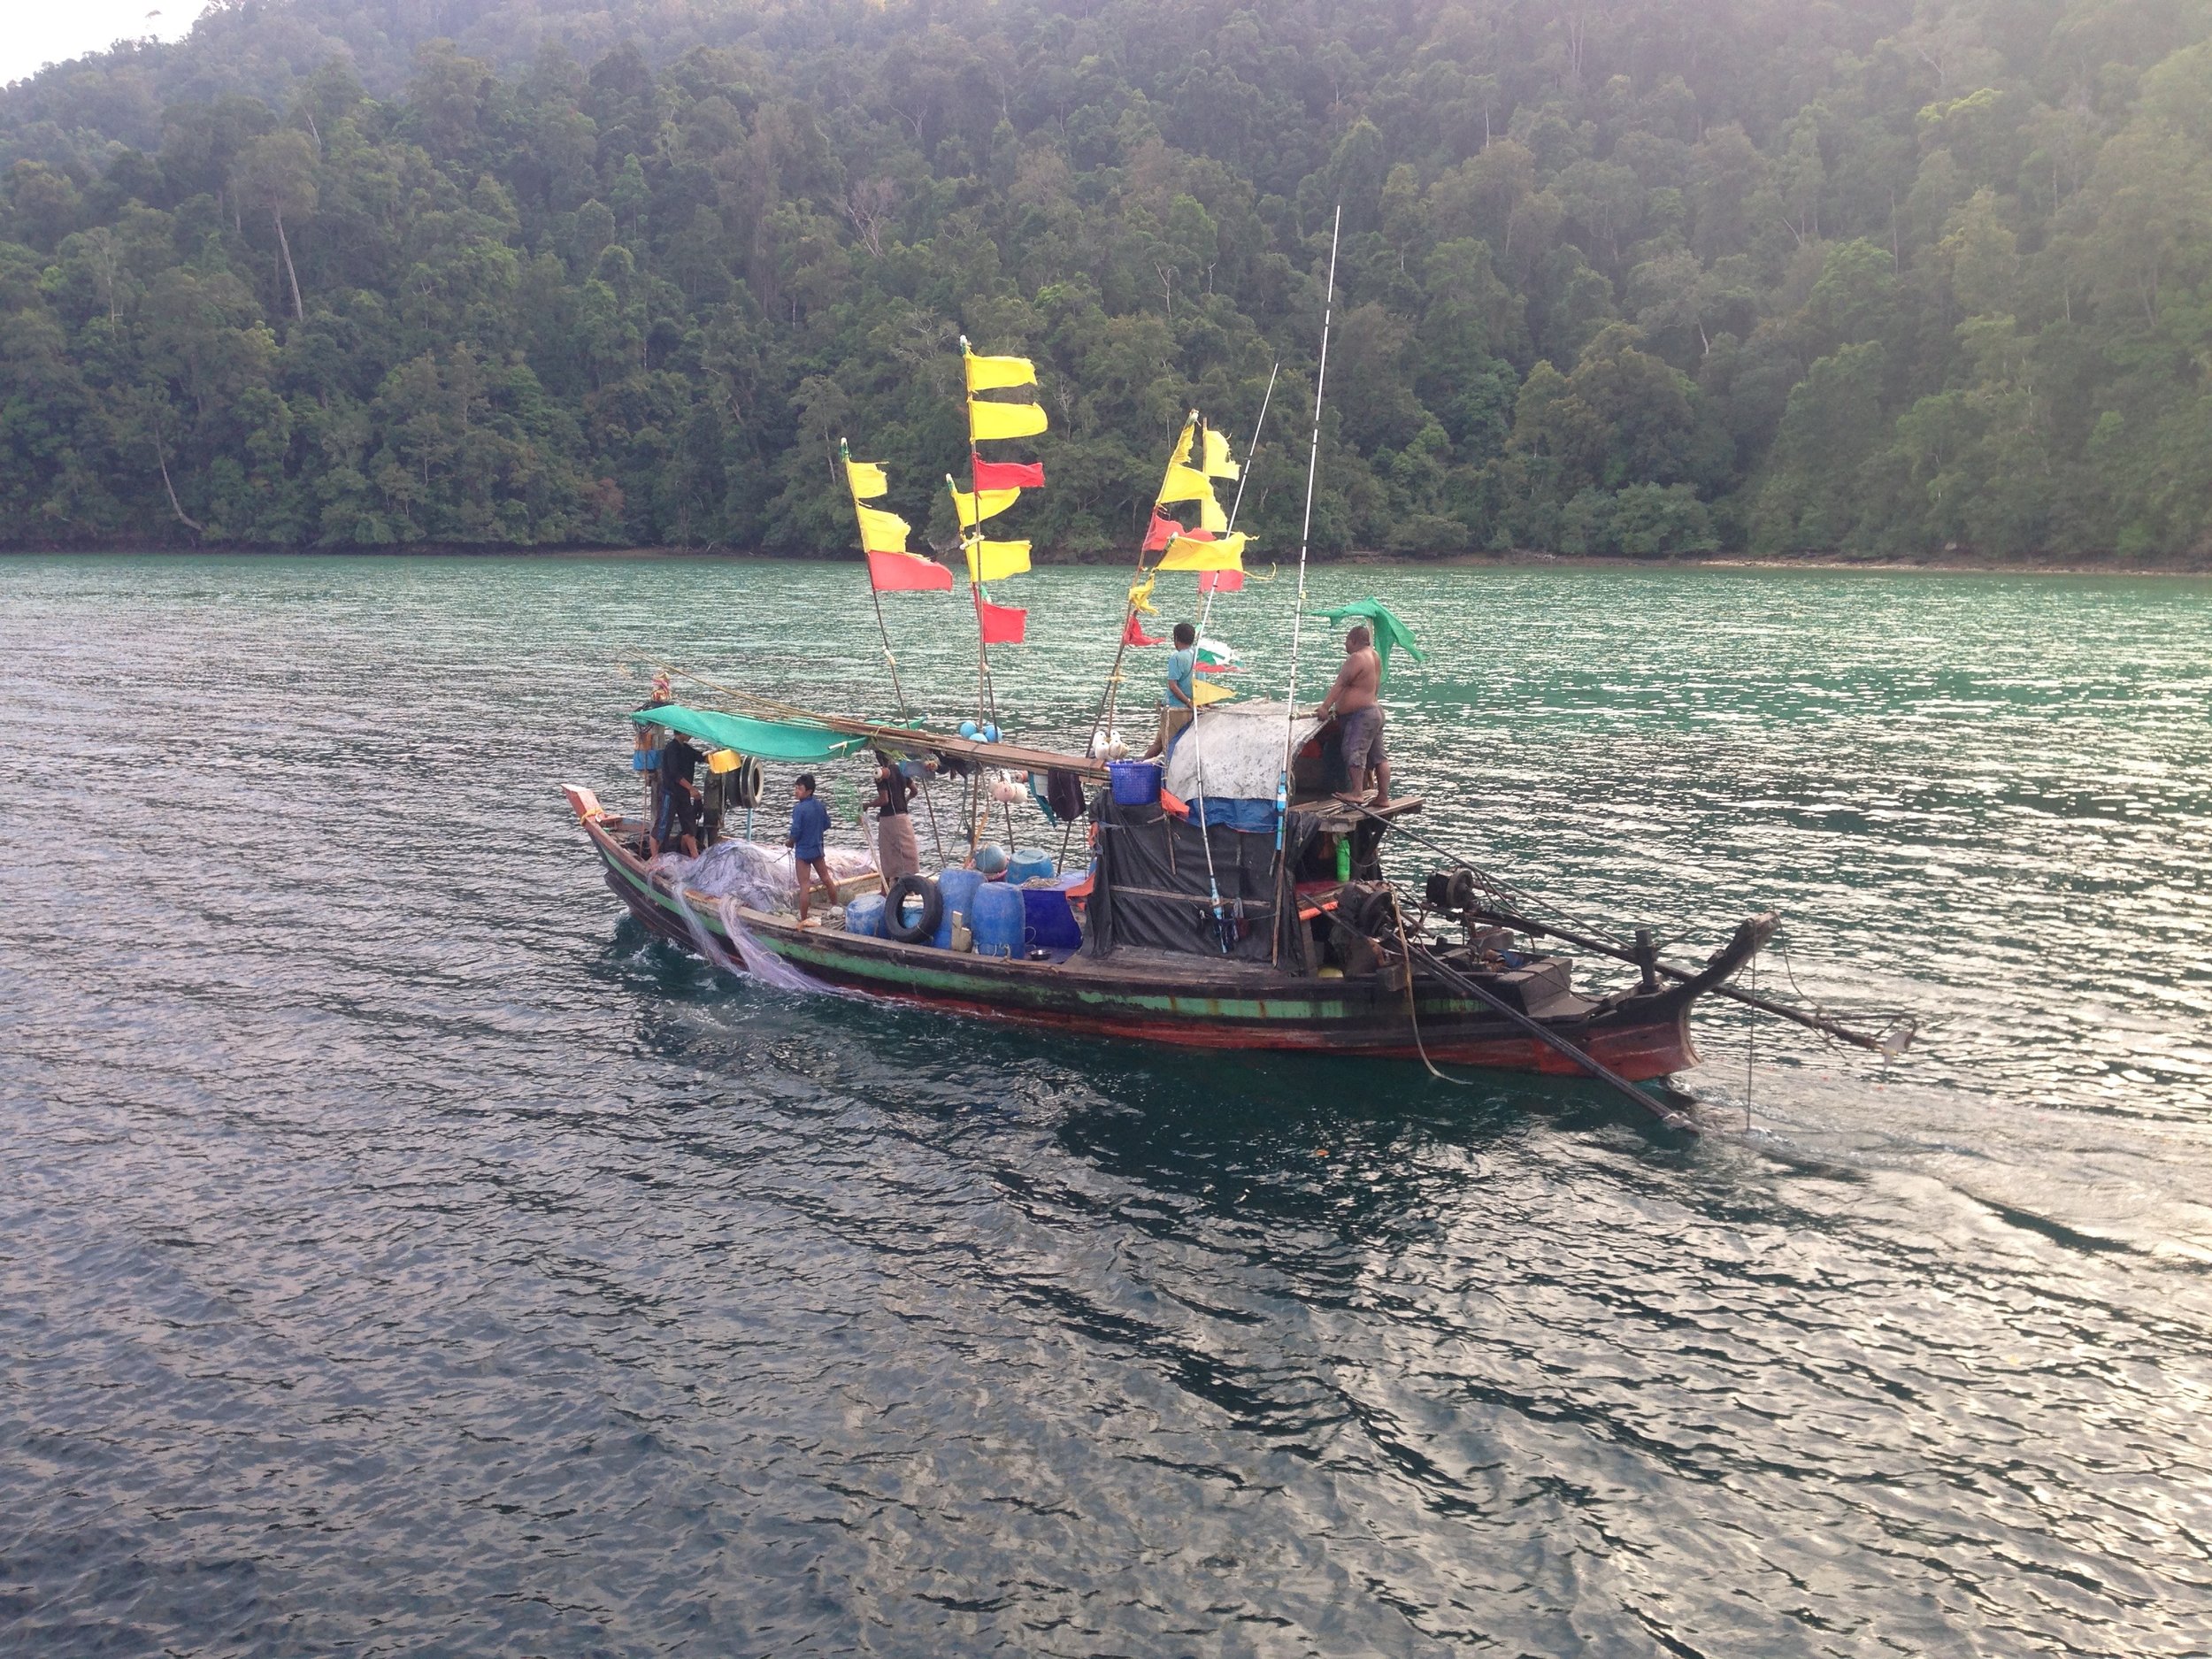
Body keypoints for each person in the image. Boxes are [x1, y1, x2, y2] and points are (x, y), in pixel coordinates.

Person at [1316, 624, 1390, 807]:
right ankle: (1383, 796)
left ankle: (1357, 792)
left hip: (1362, 716)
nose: (1345, 645)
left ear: (1354, 641)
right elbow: (1375, 686)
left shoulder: (1356, 658)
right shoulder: (1375, 656)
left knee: (1353, 751)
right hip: (1375, 711)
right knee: (1379, 757)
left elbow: (1340, 684)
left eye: (1346, 640)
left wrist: (1325, 707)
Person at [786, 773, 839, 924]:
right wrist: (815, 832)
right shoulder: (820, 806)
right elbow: (827, 824)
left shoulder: (799, 809)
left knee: (804, 885)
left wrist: (790, 842)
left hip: (803, 852)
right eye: (795, 788)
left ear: (808, 791)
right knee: (826, 879)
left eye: (799, 788)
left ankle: (803, 918)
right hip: (817, 849)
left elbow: (795, 831)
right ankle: (836, 906)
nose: (796, 791)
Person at [1142, 621, 1199, 757]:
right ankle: (1139, 766)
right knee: (1158, 744)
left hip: (1176, 710)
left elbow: (1173, 685)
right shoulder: (1198, 655)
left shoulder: (1177, 658)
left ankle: (1167, 775)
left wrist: (1187, 701)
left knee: (1170, 747)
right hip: (1193, 708)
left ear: (1176, 639)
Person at [649, 727, 705, 858]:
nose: (690, 734)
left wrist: (717, 753)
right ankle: (655, 859)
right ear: (681, 732)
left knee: (689, 826)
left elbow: (700, 757)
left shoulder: (686, 749)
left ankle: (695, 856)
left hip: (683, 795)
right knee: (661, 828)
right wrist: (691, 788)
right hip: (671, 794)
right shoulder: (671, 749)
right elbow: (675, 775)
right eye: (688, 731)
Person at [866, 751, 920, 884]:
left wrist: (867, 805)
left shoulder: (881, 775)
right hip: (903, 818)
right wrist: (904, 801)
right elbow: (914, 791)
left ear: (880, 758)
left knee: (888, 854)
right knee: (906, 854)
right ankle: (911, 886)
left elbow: (884, 800)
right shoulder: (902, 770)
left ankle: (884, 890)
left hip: (889, 819)